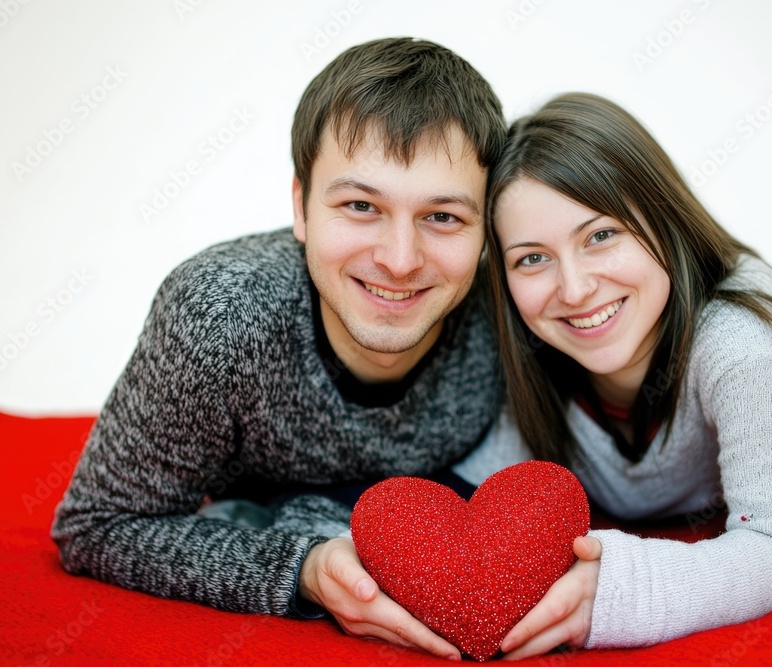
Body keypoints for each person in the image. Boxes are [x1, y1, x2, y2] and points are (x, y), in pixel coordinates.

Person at [52, 37, 507, 661]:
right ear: (301, 206)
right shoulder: (221, 316)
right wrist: (302, 568)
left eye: (443, 217)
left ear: (487, 228)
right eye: (359, 205)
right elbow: (96, 526)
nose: (400, 261)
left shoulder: (514, 307)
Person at [452, 92, 772, 658]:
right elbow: (461, 495)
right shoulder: (516, 337)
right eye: (532, 258)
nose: (574, 290)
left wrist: (628, 590)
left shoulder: (745, 345)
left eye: (601, 235)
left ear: (662, 216)